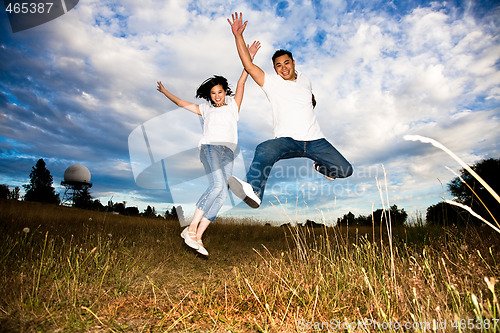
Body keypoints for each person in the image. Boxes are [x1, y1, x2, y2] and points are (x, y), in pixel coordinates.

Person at [227, 12, 353, 209]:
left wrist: (310, 101)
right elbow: (249, 66)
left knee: (345, 170)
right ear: (275, 69)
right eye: (278, 66)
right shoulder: (272, 83)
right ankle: (254, 191)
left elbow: (309, 98)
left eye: (286, 63)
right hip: (288, 140)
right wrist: (238, 36)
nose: (283, 68)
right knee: (264, 149)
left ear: (293, 62)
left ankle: (322, 168)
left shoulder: (306, 80)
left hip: (316, 141)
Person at [156, 41, 260, 255]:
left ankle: (199, 236)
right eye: (213, 93)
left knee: (222, 194)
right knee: (217, 185)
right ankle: (191, 228)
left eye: (220, 92)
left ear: (225, 92)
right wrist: (166, 91)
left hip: (229, 152)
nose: (217, 96)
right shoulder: (205, 109)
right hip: (210, 149)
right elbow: (181, 104)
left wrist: (249, 58)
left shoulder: (233, 105)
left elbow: (242, 82)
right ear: (209, 95)